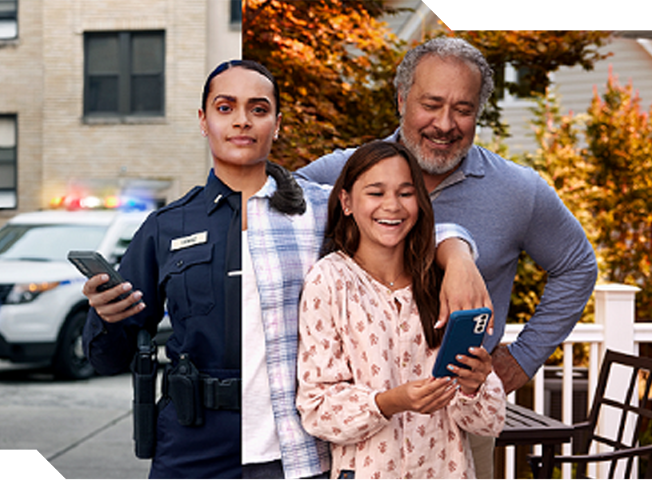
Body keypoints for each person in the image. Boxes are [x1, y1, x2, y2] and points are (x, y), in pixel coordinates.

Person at [82, 60, 484, 479]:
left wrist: (456, 253)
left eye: (258, 109)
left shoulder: (316, 211)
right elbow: (109, 358)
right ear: (203, 120)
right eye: (225, 108)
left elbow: (394, 217)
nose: (242, 121)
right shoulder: (166, 227)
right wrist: (106, 318)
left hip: (293, 452)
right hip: (192, 446)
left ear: (276, 123)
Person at [295, 36, 599, 478]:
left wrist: (523, 358)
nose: (445, 123)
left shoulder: (518, 191)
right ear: (401, 100)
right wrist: (453, 247)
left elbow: (578, 266)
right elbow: (268, 219)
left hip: (459, 425)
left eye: (463, 108)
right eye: (431, 103)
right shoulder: (336, 175)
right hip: (360, 436)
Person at [296, 140, 505, 480]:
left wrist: (475, 384)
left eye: (406, 193)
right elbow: (318, 410)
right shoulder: (329, 281)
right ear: (347, 202)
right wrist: (391, 401)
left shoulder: (444, 282)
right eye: (376, 193)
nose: (392, 206)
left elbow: (488, 421)